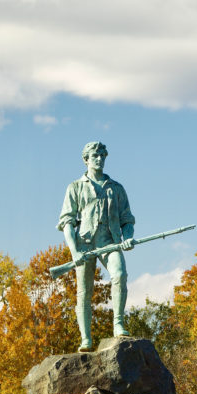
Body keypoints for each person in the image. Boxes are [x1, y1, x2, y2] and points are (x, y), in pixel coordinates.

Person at [58, 141, 136, 350]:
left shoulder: (116, 188)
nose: (100, 159)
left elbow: (127, 220)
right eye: (95, 156)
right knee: (84, 291)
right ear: (86, 160)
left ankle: (118, 323)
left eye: (103, 155)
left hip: (110, 241)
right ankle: (86, 338)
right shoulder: (74, 187)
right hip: (84, 244)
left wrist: (127, 237)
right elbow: (67, 222)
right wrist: (74, 251)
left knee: (119, 274)